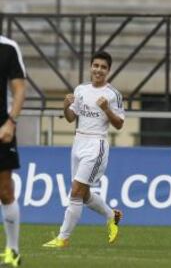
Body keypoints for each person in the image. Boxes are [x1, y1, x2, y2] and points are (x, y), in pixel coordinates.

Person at [43, 51, 124, 248]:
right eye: (95, 65)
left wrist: (106, 109)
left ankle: (63, 237)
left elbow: (120, 124)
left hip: (97, 145)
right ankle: (111, 215)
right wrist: (65, 106)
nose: (98, 70)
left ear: (108, 71)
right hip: (78, 141)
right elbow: (71, 118)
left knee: (76, 192)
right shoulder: (80, 89)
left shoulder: (113, 95)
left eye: (103, 67)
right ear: (90, 67)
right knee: (85, 195)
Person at [0, 35, 26, 267]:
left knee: (5, 190)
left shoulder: (8, 47)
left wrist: (11, 122)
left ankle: (13, 249)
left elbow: (19, 89)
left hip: (1, 127)